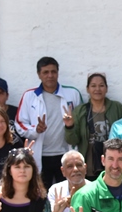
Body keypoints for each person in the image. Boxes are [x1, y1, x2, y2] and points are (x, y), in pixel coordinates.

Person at [16, 56, 84, 187]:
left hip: (66, 154)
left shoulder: (72, 94)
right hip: (40, 156)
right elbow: (20, 123)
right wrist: (35, 130)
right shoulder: (30, 96)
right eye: (45, 72)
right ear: (39, 75)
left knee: (69, 194)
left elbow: (81, 124)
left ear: (58, 73)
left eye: (53, 72)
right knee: (40, 195)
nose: (50, 75)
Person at [63, 72, 122, 179]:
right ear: (87, 89)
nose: (97, 89)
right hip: (90, 166)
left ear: (106, 88)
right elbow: (72, 141)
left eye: (101, 85)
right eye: (93, 86)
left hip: (113, 163)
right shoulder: (81, 110)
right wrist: (69, 126)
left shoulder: (116, 107)